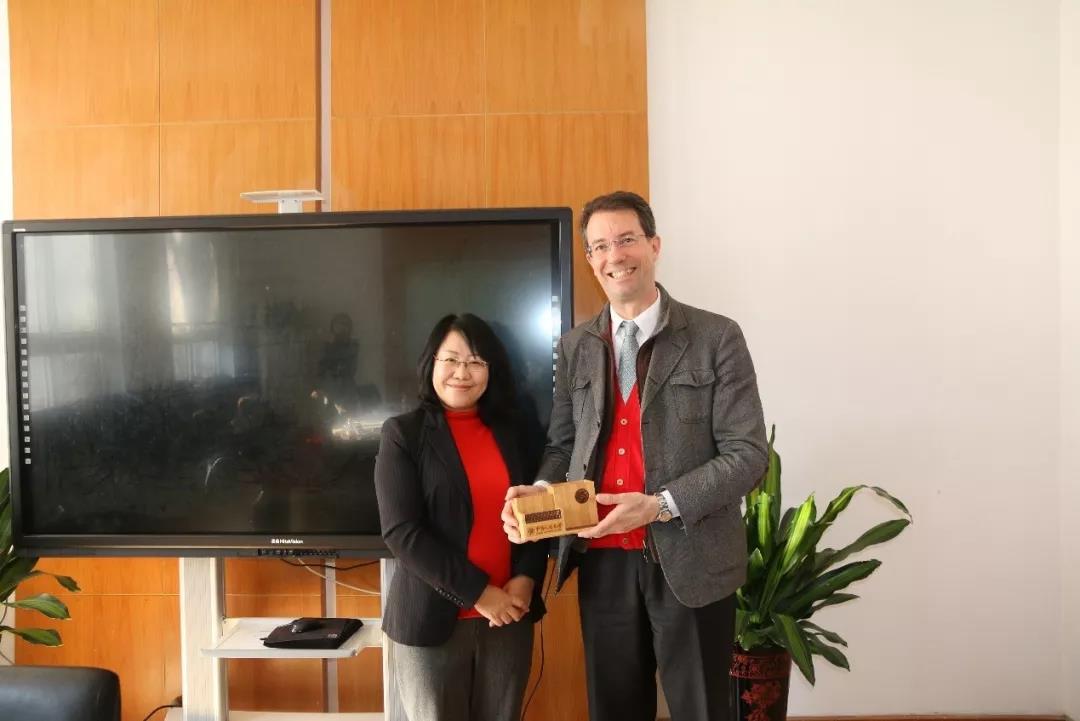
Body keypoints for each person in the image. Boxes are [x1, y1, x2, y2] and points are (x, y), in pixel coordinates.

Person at [501, 191, 767, 721]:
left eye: (626, 240)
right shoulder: (574, 346)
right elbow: (562, 446)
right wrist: (541, 493)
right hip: (601, 561)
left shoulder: (716, 337)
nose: (614, 256)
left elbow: (747, 454)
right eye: (600, 246)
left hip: (693, 562)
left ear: (654, 245)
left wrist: (659, 505)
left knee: (702, 710)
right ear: (589, 259)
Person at [375, 313, 548, 721]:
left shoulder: (517, 431)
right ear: (431, 363)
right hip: (431, 622)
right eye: (451, 359)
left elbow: (538, 511)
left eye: (475, 361)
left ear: (491, 369)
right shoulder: (404, 434)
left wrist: (526, 577)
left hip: (508, 617)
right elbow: (402, 532)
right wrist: (480, 594)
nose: (462, 372)